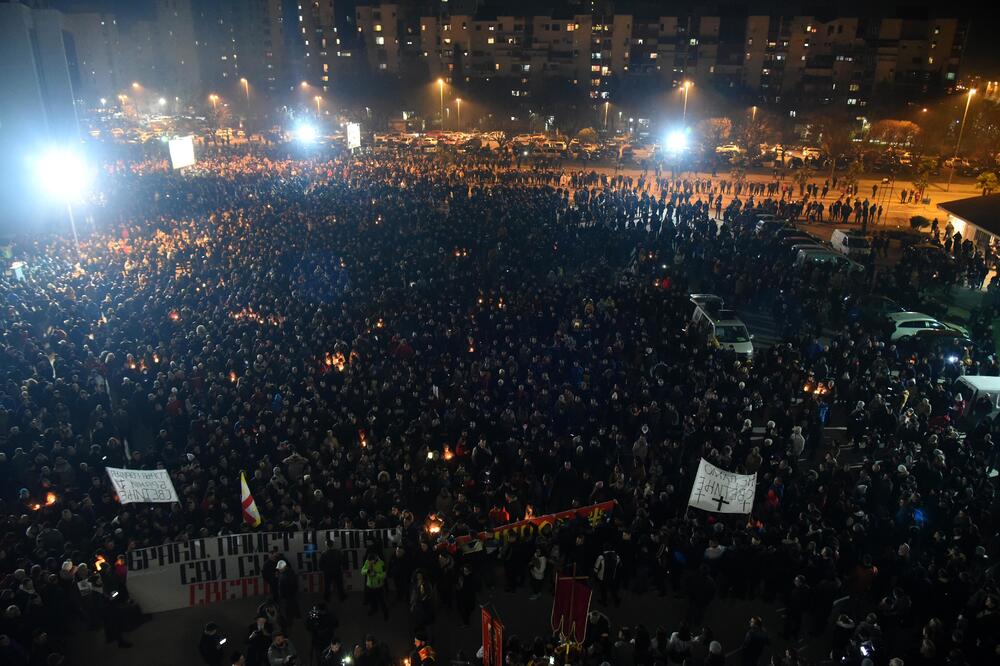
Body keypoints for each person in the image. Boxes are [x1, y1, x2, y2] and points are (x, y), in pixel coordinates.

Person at [361, 552, 389, 620]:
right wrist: (367, 571)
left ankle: (385, 613)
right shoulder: (367, 561)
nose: (370, 563)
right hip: (370, 586)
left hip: (378, 587)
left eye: (371, 562)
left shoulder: (381, 563)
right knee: (372, 600)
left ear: (375, 558)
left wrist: (375, 574)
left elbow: (384, 575)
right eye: (369, 562)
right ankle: (374, 609)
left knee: (382, 601)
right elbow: (362, 571)